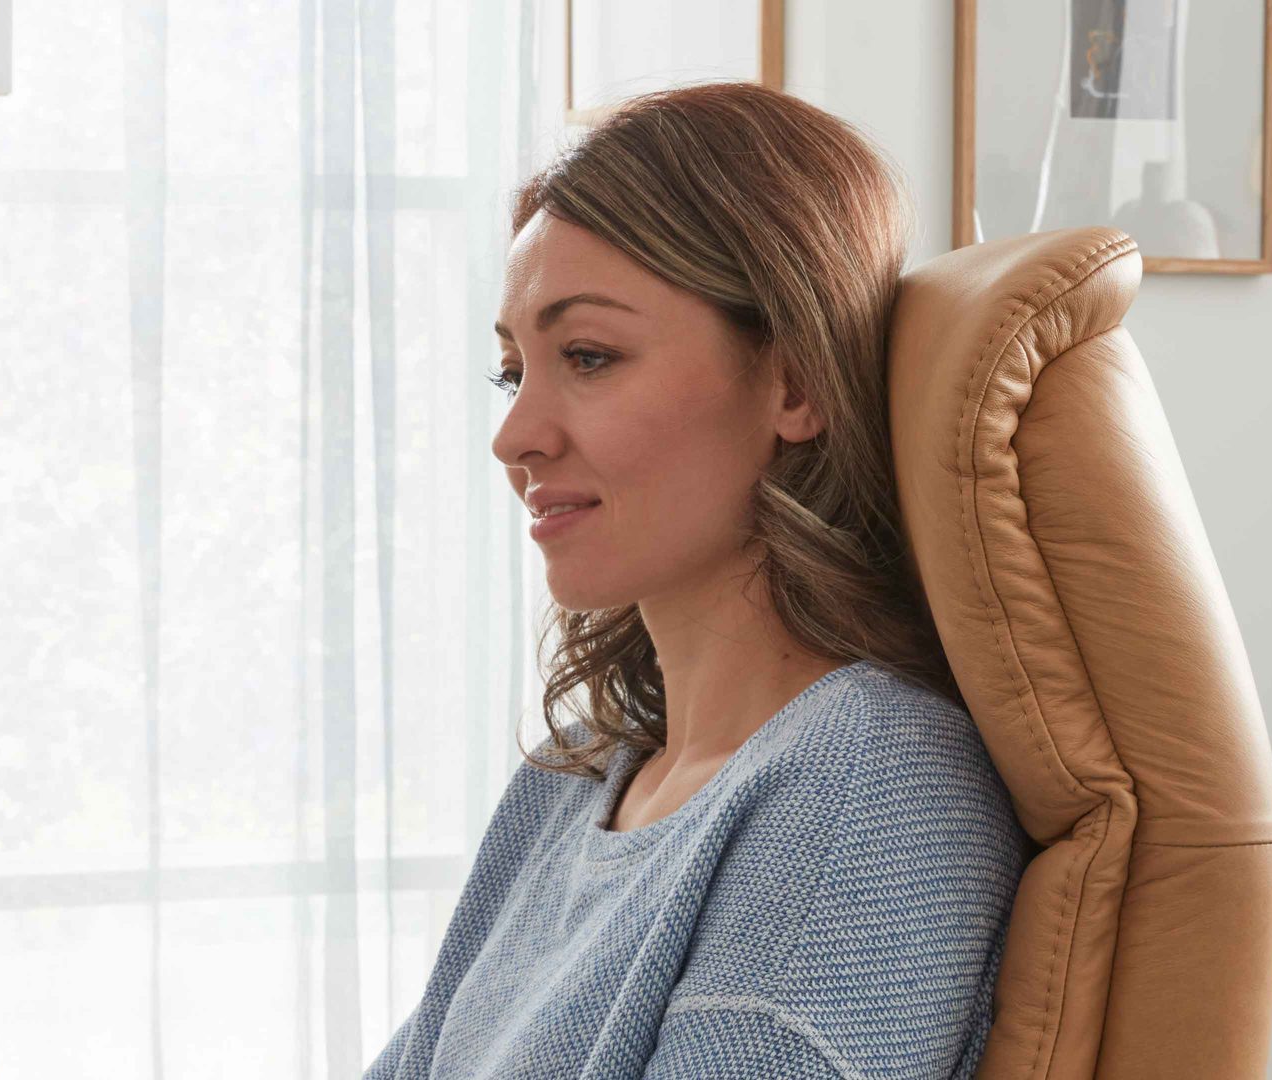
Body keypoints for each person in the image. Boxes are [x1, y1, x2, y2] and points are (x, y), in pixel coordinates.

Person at [364, 80, 1033, 1080]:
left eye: (589, 356)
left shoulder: (870, 783)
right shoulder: (575, 774)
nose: (515, 435)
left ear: (794, 382)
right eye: (513, 371)